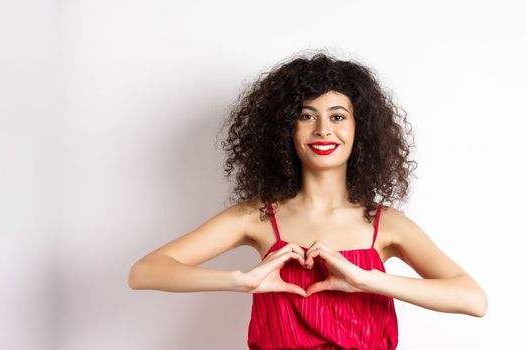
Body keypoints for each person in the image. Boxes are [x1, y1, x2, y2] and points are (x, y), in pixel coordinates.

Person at [128, 51, 487, 349]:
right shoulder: (255, 217)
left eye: (337, 116)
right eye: (306, 116)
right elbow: (144, 272)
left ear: (359, 130)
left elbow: (472, 299)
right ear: (286, 129)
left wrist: (367, 280)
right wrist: (242, 280)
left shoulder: (385, 224)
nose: (323, 130)